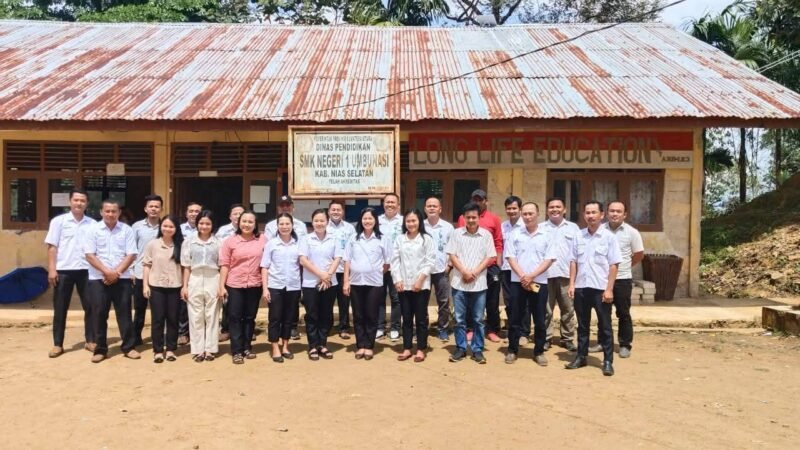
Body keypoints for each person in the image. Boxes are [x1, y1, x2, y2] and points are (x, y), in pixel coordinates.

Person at [566, 201, 622, 377]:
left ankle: (607, 361)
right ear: (584, 215)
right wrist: (572, 284)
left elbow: (614, 265)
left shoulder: (609, 237)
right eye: (587, 212)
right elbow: (573, 261)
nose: (590, 216)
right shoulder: (579, 236)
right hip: (582, 288)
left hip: (600, 289)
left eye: (594, 212)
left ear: (601, 215)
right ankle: (581, 356)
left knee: (605, 326)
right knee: (582, 325)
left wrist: (609, 289)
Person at [83, 199, 140, 363]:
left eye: (114, 211)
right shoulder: (92, 230)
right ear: (101, 212)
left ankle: (129, 347)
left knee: (125, 314)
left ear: (119, 213)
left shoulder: (126, 230)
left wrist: (117, 272)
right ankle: (100, 349)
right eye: (107, 211)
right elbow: (89, 255)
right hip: (98, 279)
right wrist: (107, 272)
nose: (110, 214)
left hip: (122, 279)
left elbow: (131, 254)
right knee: (99, 314)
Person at [45, 189, 96, 358]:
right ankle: (57, 344)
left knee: (90, 307)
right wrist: (52, 269)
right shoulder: (59, 222)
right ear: (70, 202)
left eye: (82, 201)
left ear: (87, 203)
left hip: (86, 270)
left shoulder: (93, 224)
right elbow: (52, 247)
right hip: (63, 270)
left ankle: (90, 340)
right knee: (60, 308)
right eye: (76, 200)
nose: (79, 203)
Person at [505, 202, 556, 366]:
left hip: (539, 283)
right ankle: (512, 349)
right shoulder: (515, 234)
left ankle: (539, 351)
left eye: (530, 214)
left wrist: (532, 276)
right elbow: (510, 257)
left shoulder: (547, 234)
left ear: (538, 214)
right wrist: (523, 276)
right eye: (525, 214)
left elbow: (549, 259)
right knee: (515, 318)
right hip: (517, 282)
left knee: (540, 318)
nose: (527, 217)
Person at [592, 200, 644, 359]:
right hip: (602, 280)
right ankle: (603, 342)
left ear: (625, 214)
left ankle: (624, 344)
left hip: (622, 279)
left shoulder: (632, 232)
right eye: (612, 211)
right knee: (602, 313)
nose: (614, 214)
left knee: (623, 313)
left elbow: (638, 255)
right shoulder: (599, 230)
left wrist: (624, 266)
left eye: (618, 211)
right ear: (606, 213)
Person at [448, 202, 497, 364]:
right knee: (459, 319)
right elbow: (452, 256)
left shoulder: (486, 235)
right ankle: (460, 348)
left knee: (478, 319)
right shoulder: (456, 234)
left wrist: (474, 273)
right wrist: (464, 271)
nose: (471, 220)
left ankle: (477, 349)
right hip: (459, 283)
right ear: (463, 218)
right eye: (468, 217)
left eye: (474, 217)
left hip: (479, 283)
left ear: (478, 218)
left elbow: (489, 257)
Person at [343, 208, 391, 361]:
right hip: (356, 282)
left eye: (370, 218)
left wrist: (375, 272)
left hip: (375, 283)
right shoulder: (354, 238)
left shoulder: (382, 238)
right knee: (358, 315)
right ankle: (360, 345)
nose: (367, 221)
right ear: (360, 220)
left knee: (371, 314)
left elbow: (387, 262)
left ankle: (369, 346)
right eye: (365, 218)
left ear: (375, 221)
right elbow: (347, 261)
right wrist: (346, 281)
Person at [219, 210, 265, 364]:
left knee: (250, 317)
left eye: (250, 222)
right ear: (239, 223)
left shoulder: (262, 240)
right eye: (244, 221)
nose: (246, 224)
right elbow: (224, 264)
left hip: (254, 284)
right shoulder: (230, 241)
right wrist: (221, 286)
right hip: (234, 284)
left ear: (255, 224)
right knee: (235, 317)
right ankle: (236, 350)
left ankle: (247, 347)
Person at [456, 189, 503, 343]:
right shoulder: (463, 219)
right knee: (470, 298)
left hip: (490, 265)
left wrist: (498, 263)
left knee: (492, 299)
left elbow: (498, 242)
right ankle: (471, 329)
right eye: (475, 199)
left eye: (480, 199)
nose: (478, 202)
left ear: (485, 201)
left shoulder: (494, 219)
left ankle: (491, 329)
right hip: (469, 266)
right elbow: (458, 244)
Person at [392, 209, 436, 362]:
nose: (411, 224)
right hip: (403, 284)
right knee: (407, 317)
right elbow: (395, 261)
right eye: (408, 221)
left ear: (419, 222)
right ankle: (407, 348)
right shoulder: (399, 239)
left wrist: (420, 280)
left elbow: (430, 262)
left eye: (414, 221)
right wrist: (397, 279)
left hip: (421, 285)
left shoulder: (426, 239)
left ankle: (421, 348)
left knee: (421, 318)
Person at [299, 209, 342, 360]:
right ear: (312, 222)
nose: (319, 223)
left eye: (322, 221)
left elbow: (337, 258)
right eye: (316, 221)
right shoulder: (306, 239)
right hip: (311, 283)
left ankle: (322, 344)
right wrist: (321, 275)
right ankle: (312, 346)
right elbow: (303, 260)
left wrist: (328, 275)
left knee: (326, 314)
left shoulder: (334, 238)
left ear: (327, 222)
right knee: (312, 314)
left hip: (330, 282)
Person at [180, 210, 222, 362]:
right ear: (197, 224)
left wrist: (221, 286)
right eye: (201, 223)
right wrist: (184, 286)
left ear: (212, 225)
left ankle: (210, 349)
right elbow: (186, 266)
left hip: (213, 277)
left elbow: (222, 264)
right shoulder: (189, 242)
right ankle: (198, 349)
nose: (204, 226)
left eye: (208, 223)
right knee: (195, 315)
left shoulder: (218, 242)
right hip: (195, 278)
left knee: (212, 314)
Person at [142, 215, 184, 363]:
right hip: (156, 286)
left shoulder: (181, 245)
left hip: (175, 286)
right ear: (161, 227)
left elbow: (185, 268)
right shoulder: (153, 244)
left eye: (171, 226)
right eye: (165, 226)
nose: (167, 229)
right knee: (158, 320)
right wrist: (145, 285)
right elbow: (146, 265)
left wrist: (185, 286)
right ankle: (158, 350)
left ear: (176, 229)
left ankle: (171, 349)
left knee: (173, 319)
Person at [265, 195, 308, 341]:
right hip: (277, 268)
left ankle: (292, 327)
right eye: (282, 205)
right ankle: (276, 335)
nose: (285, 207)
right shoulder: (270, 226)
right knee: (276, 309)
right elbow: (268, 249)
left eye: (288, 205)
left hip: (296, 265)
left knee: (293, 302)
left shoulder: (301, 225)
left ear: (293, 207)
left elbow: (303, 247)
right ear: (278, 208)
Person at [261, 213, 302, 363]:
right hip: (275, 286)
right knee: (275, 318)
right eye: (281, 224)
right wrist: (265, 289)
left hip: (293, 286)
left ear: (292, 225)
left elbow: (302, 265)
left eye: (287, 224)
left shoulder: (298, 244)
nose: (284, 227)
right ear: (277, 226)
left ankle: (285, 345)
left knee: (289, 318)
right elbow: (264, 267)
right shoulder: (271, 244)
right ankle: (275, 347)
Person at [542, 197, 580, 352]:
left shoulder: (573, 228)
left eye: (558, 207)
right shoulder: (541, 228)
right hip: (545, 275)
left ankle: (568, 338)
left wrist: (574, 280)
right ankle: (545, 338)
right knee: (546, 310)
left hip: (566, 275)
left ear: (564, 210)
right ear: (547, 210)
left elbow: (577, 254)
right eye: (551, 207)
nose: (554, 209)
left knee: (568, 309)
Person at [132, 194, 163, 347]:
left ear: (161, 209)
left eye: (157, 206)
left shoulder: (166, 226)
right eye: (151, 206)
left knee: (158, 309)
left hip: (159, 275)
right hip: (139, 273)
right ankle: (136, 336)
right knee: (139, 308)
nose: (153, 209)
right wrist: (131, 271)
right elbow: (131, 250)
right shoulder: (137, 227)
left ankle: (157, 337)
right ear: (145, 209)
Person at [423, 196, 454, 342]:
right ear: (425, 209)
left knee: (443, 301)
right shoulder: (420, 225)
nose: (432, 208)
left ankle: (443, 328)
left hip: (442, 270)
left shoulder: (448, 227)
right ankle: (423, 328)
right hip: (423, 272)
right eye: (429, 206)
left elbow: (453, 248)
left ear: (440, 209)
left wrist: (449, 266)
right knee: (422, 301)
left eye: (434, 206)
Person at [215, 203, 245, 342]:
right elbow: (219, 250)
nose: (238, 216)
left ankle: (245, 329)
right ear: (230, 216)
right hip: (227, 269)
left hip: (245, 270)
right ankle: (226, 329)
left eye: (241, 213)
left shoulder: (249, 229)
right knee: (229, 302)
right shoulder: (223, 230)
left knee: (245, 302)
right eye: (235, 213)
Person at [327, 200, 356, 339]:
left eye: (338, 210)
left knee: (344, 300)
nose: (336, 212)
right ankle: (327, 325)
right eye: (333, 210)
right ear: (328, 211)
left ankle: (344, 327)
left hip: (345, 269)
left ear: (343, 212)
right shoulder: (324, 227)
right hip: (328, 270)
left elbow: (353, 248)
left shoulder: (349, 228)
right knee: (328, 300)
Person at [378, 193, 403, 341]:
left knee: (396, 298)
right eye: (387, 202)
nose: (390, 205)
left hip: (396, 265)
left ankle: (395, 327)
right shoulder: (377, 220)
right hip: (379, 266)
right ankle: (380, 327)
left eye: (393, 202)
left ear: (398, 205)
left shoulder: (403, 221)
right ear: (383, 204)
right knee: (379, 297)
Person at [501, 196, 526, 342]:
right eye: (509, 208)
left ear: (520, 209)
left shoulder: (525, 226)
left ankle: (523, 333)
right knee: (509, 301)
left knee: (523, 302)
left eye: (514, 208)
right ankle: (512, 331)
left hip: (521, 270)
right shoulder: (503, 226)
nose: (511, 211)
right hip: (505, 268)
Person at [179, 202, 202, 346]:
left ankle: (198, 334)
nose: (194, 214)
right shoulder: (179, 229)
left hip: (200, 272)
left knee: (199, 304)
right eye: (191, 211)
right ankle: (182, 332)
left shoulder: (207, 229)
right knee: (183, 302)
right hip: (183, 270)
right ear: (186, 214)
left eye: (197, 211)